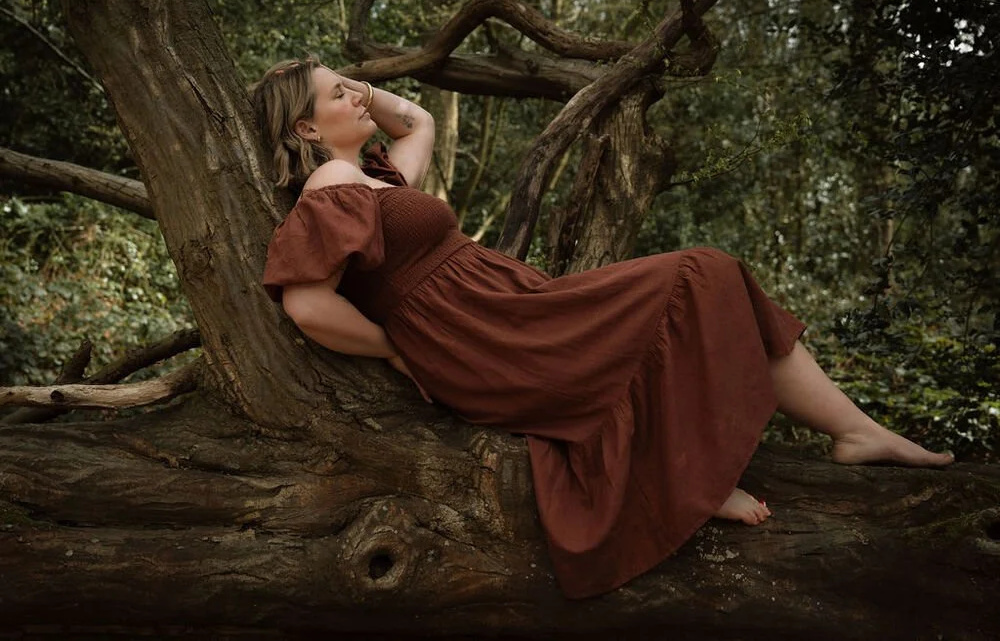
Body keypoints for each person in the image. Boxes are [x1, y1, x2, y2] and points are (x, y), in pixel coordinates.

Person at [252, 58, 953, 599]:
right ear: (306, 130)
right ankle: (712, 480)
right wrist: (396, 349)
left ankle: (850, 431)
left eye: (352, 85)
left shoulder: (373, 179)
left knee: (711, 283)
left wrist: (357, 91)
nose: (355, 95)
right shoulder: (329, 188)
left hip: (510, 310)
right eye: (336, 95)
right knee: (700, 272)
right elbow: (307, 304)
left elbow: (422, 123)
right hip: (484, 334)